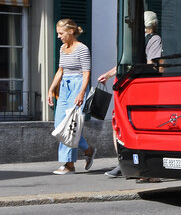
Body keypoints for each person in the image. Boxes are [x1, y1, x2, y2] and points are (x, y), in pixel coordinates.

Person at [98, 11, 165, 179]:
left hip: (138, 86)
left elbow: (152, 64)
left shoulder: (153, 39)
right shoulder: (133, 40)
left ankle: (141, 166)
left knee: (137, 124)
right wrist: (108, 74)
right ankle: (124, 162)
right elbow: (124, 63)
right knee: (118, 125)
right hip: (124, 84)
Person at [47, 18, 95, 174]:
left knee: (71, 126)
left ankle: (69, 165)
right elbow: (60, 70)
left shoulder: (82, 49)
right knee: (59, 126)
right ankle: (88, 150)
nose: (58, 36)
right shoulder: (62, 48)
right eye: (58, 33)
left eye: (61, 33)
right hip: (64, 87)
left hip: (77, 85)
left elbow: (86, 73)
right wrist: (51, 89)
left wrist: (81, 92)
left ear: (71, 31)